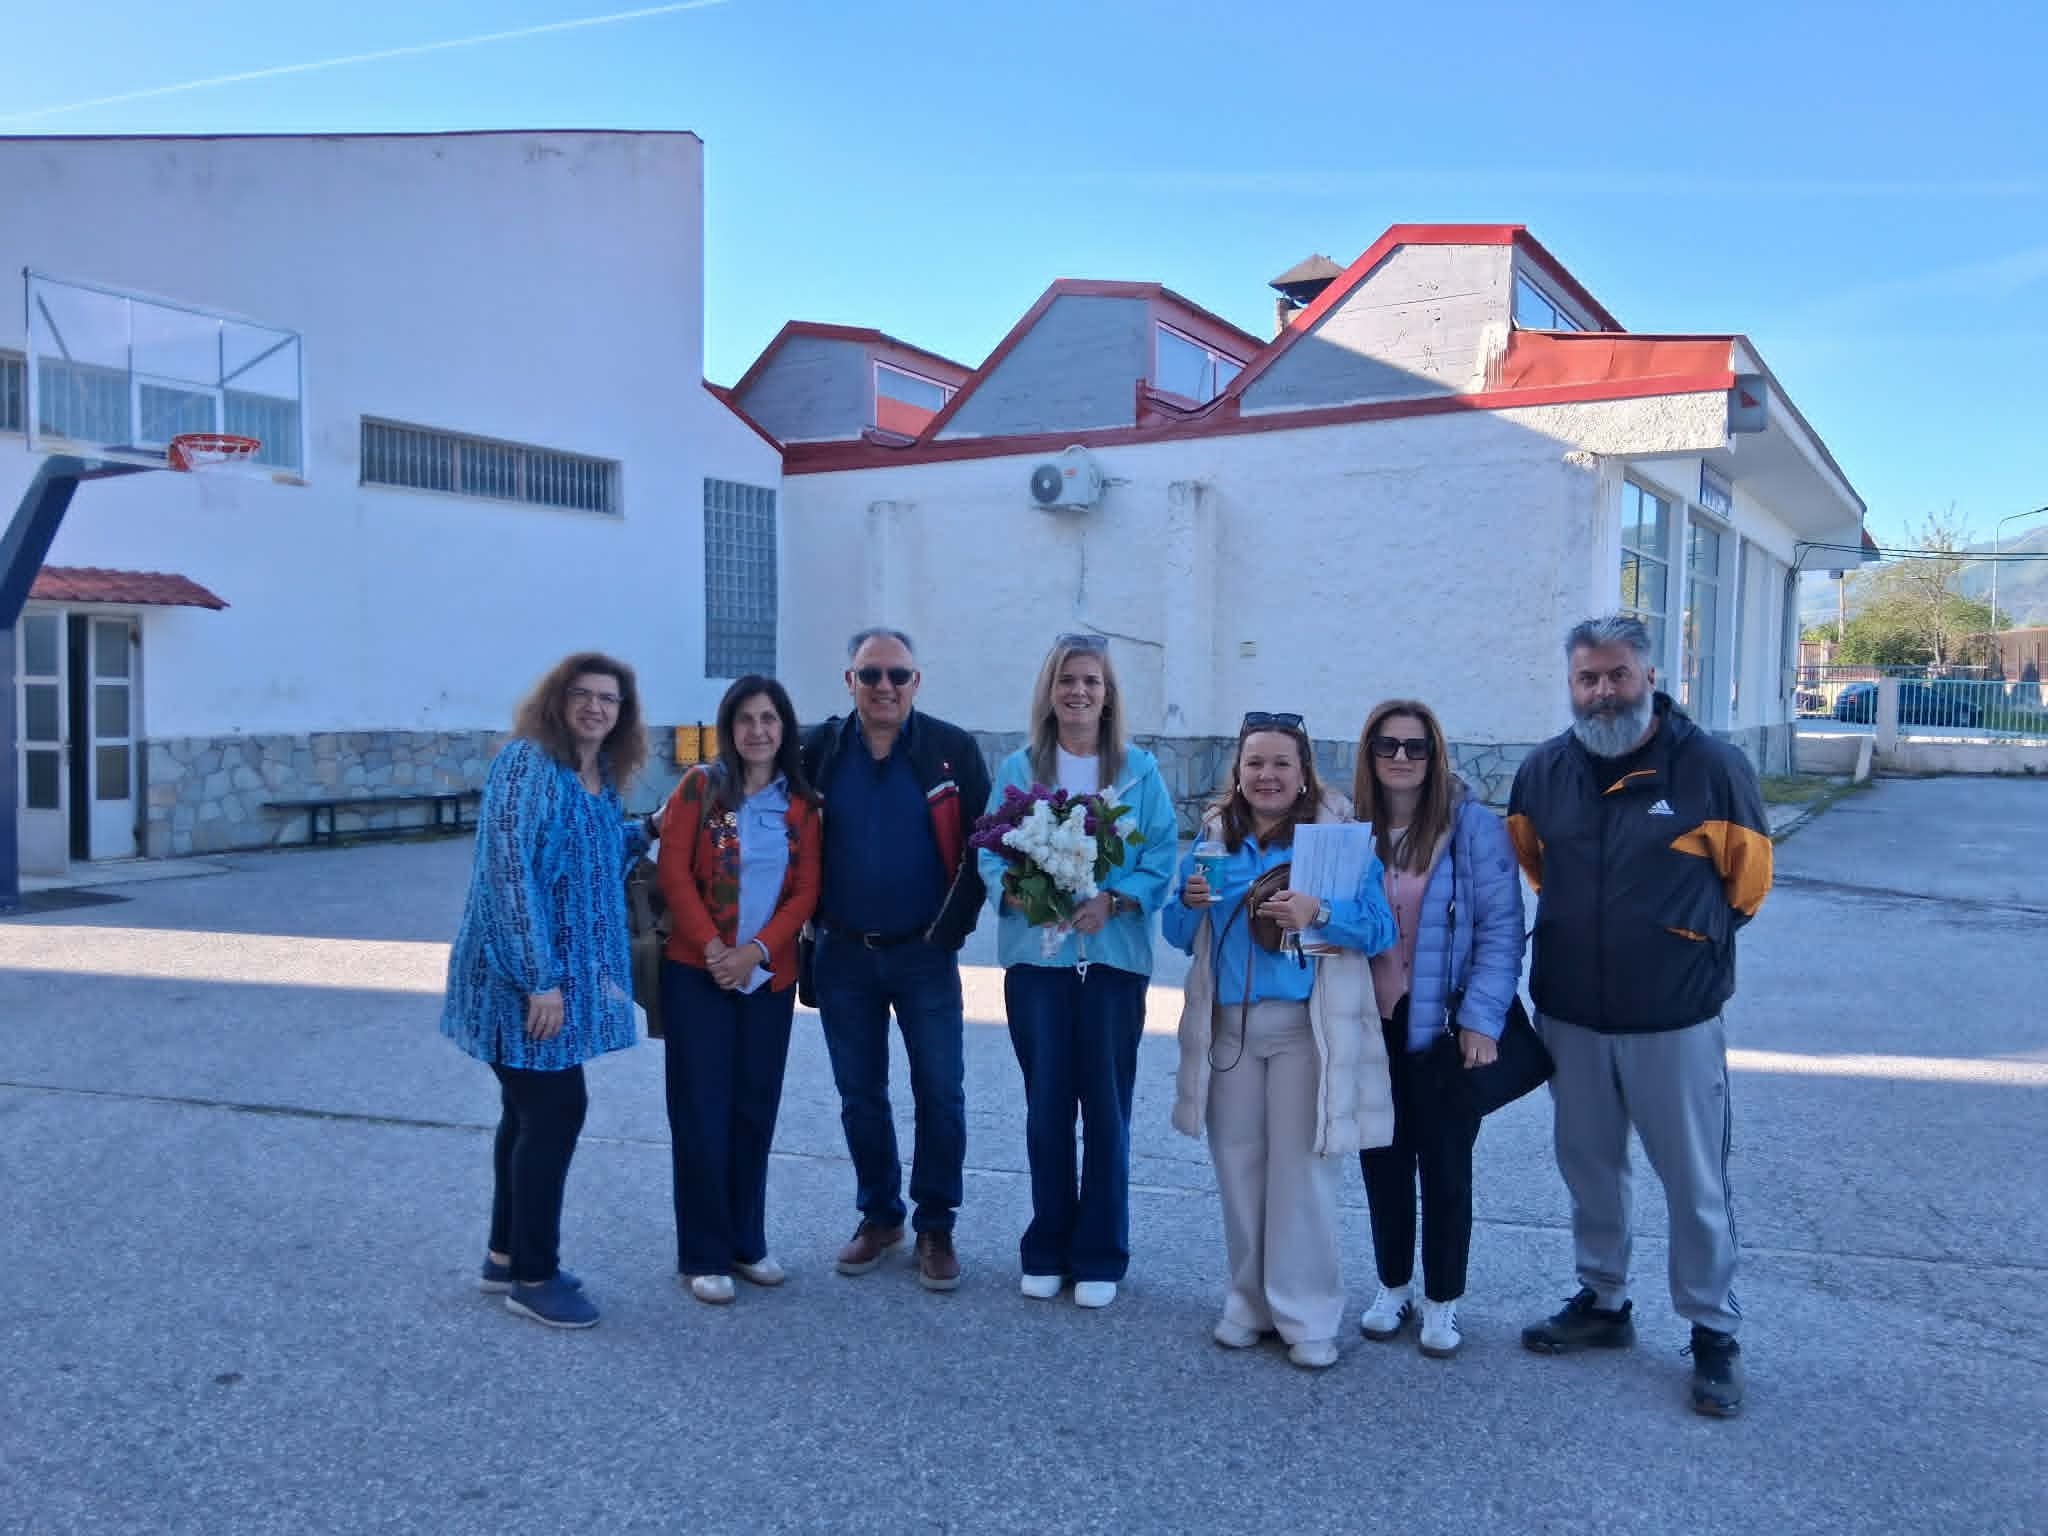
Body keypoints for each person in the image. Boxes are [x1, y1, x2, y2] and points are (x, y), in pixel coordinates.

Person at [1508, 615, 1773, 1417]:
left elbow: (1748, 887)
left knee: (1694, 1181)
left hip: (1674, 1017)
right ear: (1571, 683)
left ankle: (1713, 1330)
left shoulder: (1712, 769)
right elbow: (1536, 867)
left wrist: (1678, 944)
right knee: (1590, 1167)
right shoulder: (1543, 772)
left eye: (1617, 674)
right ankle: (1604, 1301)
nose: (1602, 692)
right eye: (1587, 677)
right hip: (1572, 1015)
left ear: (1651, 677)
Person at [1164, 713, 1397, 1369]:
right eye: (1254, 763)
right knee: (1238, 1168)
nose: (1266, 775)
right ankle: (1249, 1303)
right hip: (1230, 1028)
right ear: (1238, 773)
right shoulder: (1214, 838)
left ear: (1302, 774)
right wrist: (1188, 904)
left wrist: (1318, 911)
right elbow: (1177, 935)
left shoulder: (1336, 842)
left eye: (1280, 764)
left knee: (1302, 1174)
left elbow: (1378, 929)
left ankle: (1308, 1314)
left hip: (1301, 1028)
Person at [440, 651, 654, 1329]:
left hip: (553, 984)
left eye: (609, 699)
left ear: (623, 714)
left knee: (526, 1112)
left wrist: (649, 829)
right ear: (558, 701)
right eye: (583, 694)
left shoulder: (599, 774)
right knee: (556, 1110)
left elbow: (595, 851)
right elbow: (507, 872)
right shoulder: (527, 763)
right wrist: (539, 980)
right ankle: (534, 1277)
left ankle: (504, 1256)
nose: (596, 707)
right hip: (519, 983)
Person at [978, 634, 1178, 1309]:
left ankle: (1100, 1254)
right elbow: (990, 853)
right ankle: (1047, 1247)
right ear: (1050, 691)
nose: (1079, 692)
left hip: (1113, 965)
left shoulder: (1139, 772)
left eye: (1091, 681)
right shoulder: (1019, 768)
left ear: (1108, 694)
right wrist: (1016, 891)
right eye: (1067, 680)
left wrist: (1115, 901)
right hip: (1040, 966)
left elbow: (1160, 854)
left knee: (1107, 1111)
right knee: (1047, 1108)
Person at [800, 628, 993, 1291]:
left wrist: (949, 932)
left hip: (923, 954)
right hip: (842, 954)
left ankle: (936, 1224)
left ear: (917, 682)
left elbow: (983, 846)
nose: (884, 687)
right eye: (870, 674)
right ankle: (880, 1216)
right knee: (860, 1095)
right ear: (849, 681)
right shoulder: (818, 750)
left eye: (897, 675)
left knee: (940, 1092)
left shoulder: (950, 749)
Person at [1350, 699, 1527, 1358]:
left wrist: (1483, 1020)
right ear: (1369, 754)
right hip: (1371, 1025)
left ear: (1435, 755)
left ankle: (1442, 1297)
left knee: (1446, 1167)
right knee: (1382, 1162)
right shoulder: (1350, 827)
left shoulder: (1472, 828)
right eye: (1388, 745)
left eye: (1416, 747)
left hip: (1444, 1028)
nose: (1401, 758)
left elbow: (1502, 930)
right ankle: (1392, 1285)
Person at [655, 676, 821, 1305]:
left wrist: (754, 952)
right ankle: (702, 1254)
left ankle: (747, 1241)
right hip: (697, 974)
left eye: (769, 719)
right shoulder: (700, 789)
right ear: (729, 728)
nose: (758, 730)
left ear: (785, 729)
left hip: (767, 978)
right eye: (746, 719)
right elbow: (674, 873)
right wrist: (714, 950)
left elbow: (805, 890)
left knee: (754, 1109)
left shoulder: (802, 803)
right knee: (701, 1111)